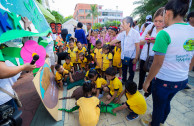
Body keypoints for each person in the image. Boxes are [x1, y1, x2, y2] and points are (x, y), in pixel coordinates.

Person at [142, 0, 194, 126]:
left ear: (168, 13)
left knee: (159, 106)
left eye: (164, 13)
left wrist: (147, 81)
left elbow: (157, 63)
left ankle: (155, 123)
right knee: (166, 102)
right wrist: (186, 70)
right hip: (182, 80)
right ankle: (161, 120)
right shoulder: (192, 31)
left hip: (164, 81)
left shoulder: (164, 34)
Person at [138, 7, 165, 99]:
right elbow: (141, 40)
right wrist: (149, 39)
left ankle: (147, 94)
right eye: (155, 20)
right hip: (145, 56)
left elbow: (163, 42)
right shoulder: (150, 26)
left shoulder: (167, 30)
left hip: (157, 58)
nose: (157, 23)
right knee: (142, 73)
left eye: (160, 21)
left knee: (153, 77)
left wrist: (149, 38)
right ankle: (140, 89)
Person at [110, 16, 140, 84]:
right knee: (124, 70)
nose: (122, 25)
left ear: (128, 24)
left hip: (132, 57)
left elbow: (137, 46)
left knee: (131, 71)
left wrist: (136, 58)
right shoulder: (122, 34)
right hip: (123, 56)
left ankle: (130, 82)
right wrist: (109, 43)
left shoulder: (135, 33)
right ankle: (124, 81)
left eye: (123, 23)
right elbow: (116, 40)